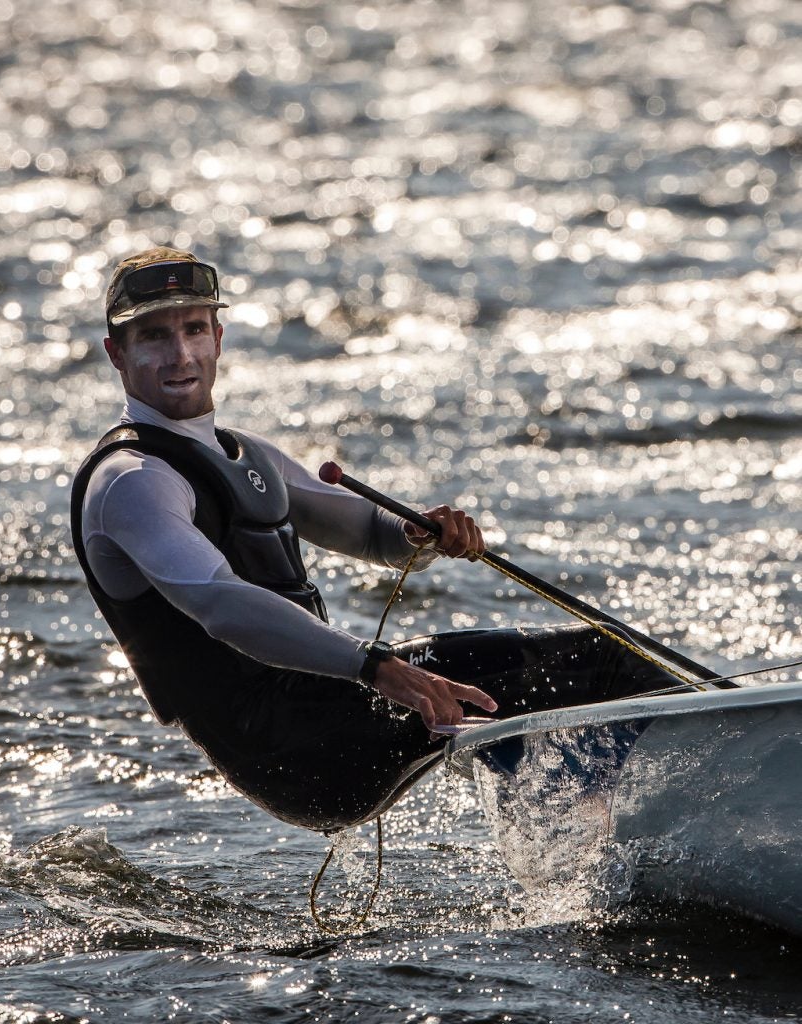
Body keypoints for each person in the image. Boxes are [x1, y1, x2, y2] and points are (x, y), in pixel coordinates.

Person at [71, 247, 682, 833]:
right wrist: (380, 669)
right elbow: (220, 605)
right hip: (291, 743)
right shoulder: (133, 481)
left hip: (331, 707)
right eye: (153, 336)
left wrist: (419, 531)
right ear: (116, 354)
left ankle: (604, 836)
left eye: (195, 329)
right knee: (598, 662)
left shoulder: (244, 453)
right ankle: (702, 802)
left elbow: (368, 531)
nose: (180, 354)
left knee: (559, 685)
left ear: (219, 339)